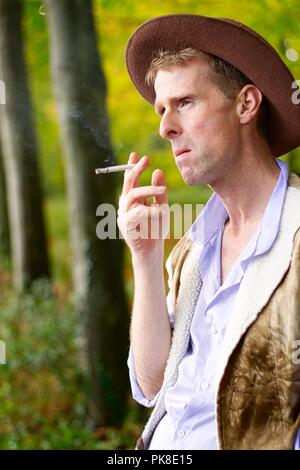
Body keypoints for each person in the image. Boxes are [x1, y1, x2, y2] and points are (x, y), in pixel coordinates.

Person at [117, 14, 300, 449]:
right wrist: (144, 256)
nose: (165, 127)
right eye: (162, 109)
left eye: (185, 102)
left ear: (245, 104)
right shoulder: (193, 250)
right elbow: (152, 385)